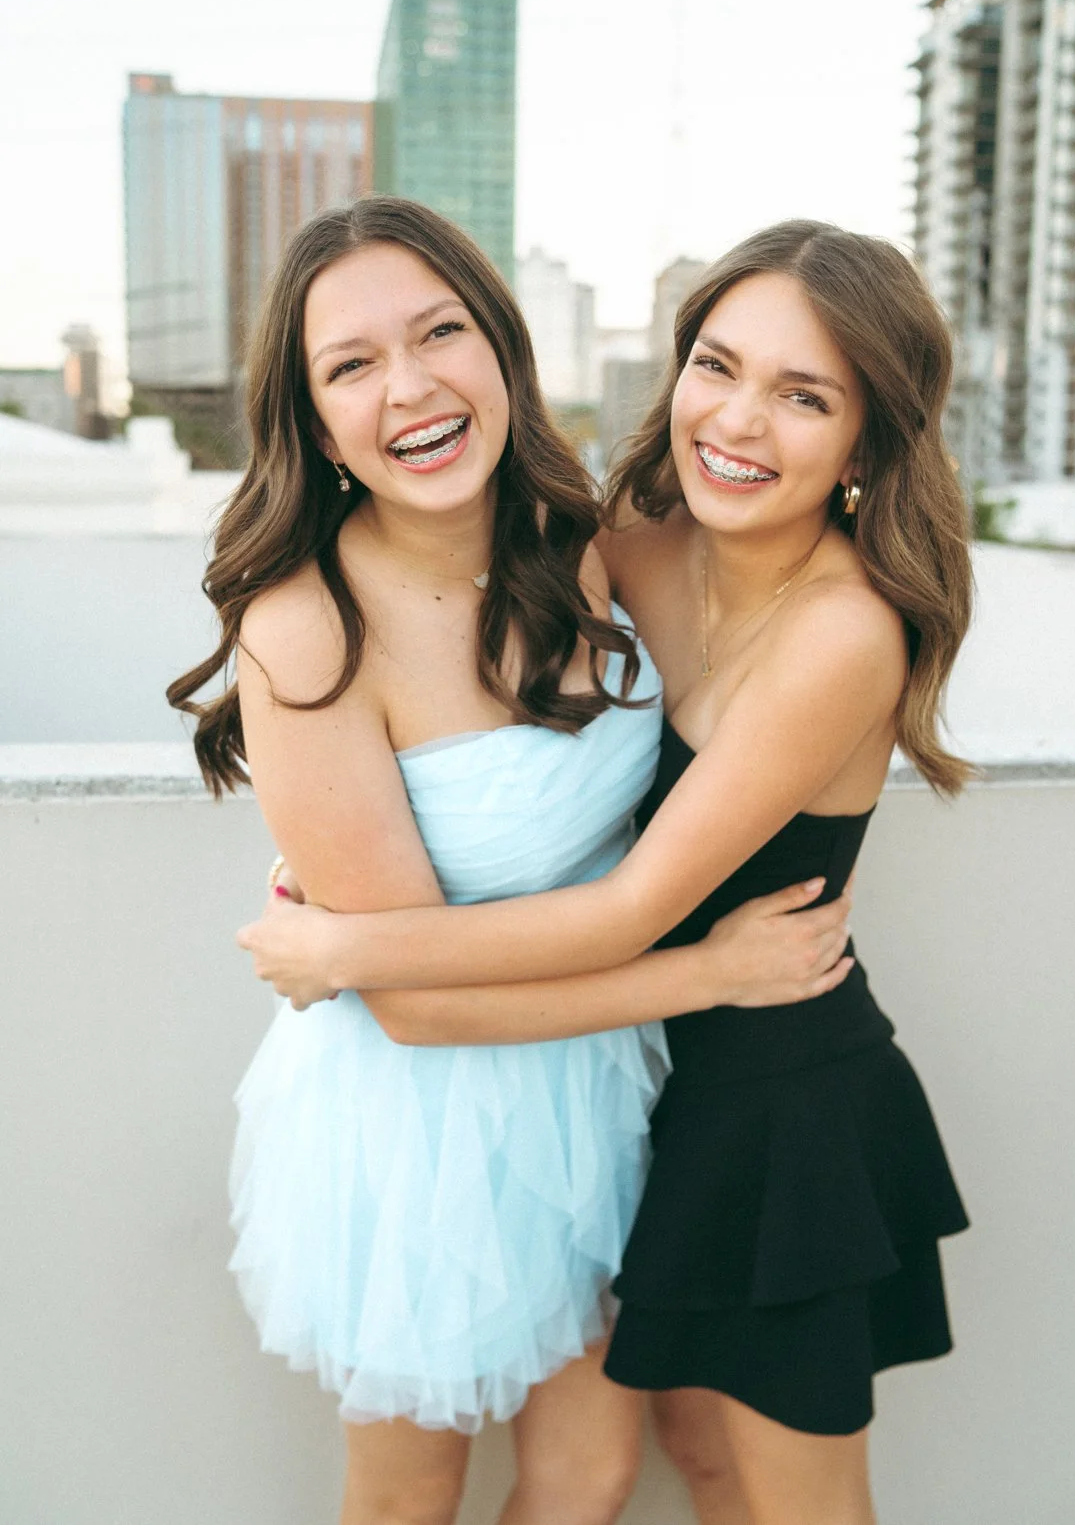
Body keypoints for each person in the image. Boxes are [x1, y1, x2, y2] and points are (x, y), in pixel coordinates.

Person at [238, 219, 973, 1525]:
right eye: (717, 365)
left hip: (767, 1096)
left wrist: (346, 948)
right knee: (672, 1459)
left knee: (734, 1487)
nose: (739, 421)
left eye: (803, 396)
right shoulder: (622, 545)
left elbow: (634, 901)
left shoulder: (837, 629)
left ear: (865, 441)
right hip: (603, 1090)